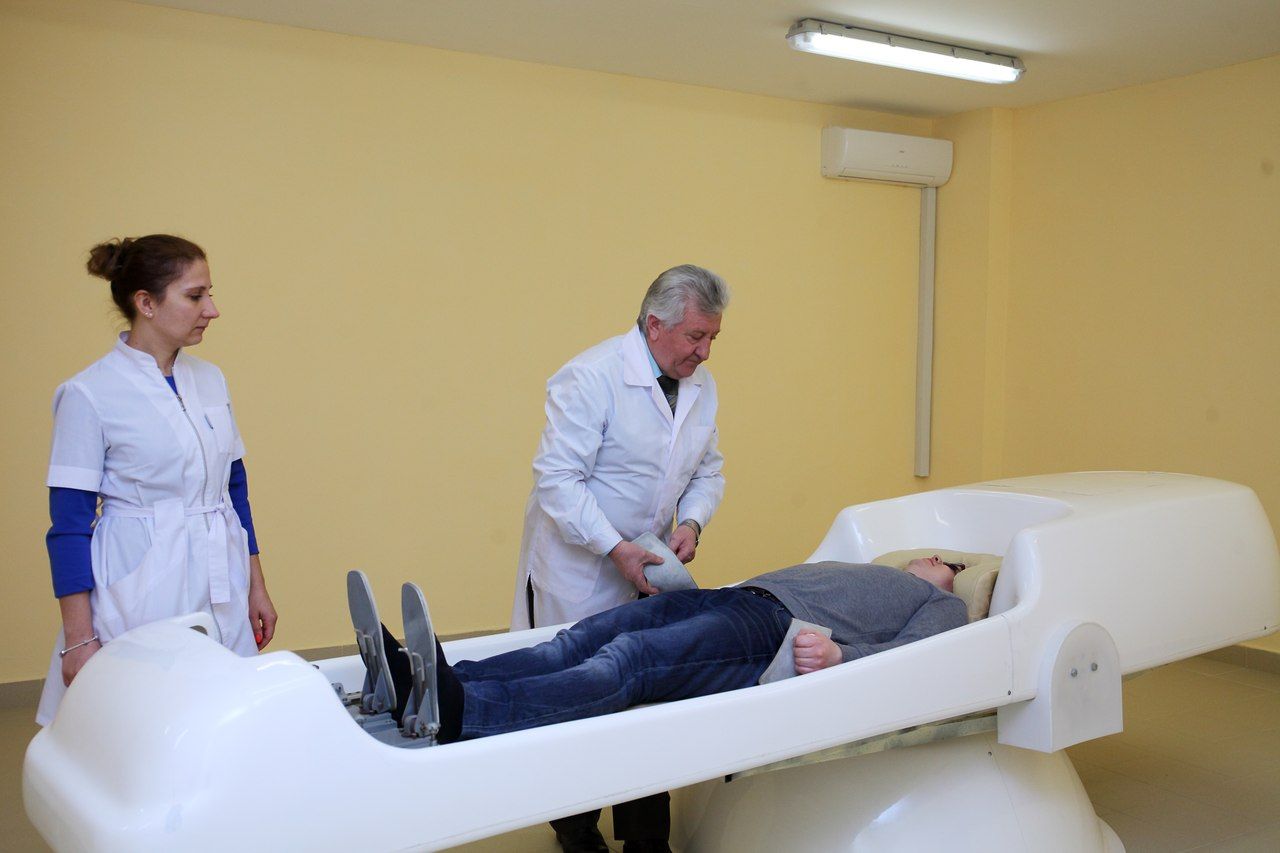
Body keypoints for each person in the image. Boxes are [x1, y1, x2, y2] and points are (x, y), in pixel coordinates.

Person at [510, 264, 730, 852]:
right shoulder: (591, 377)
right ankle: (576, 830)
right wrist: (615, 547)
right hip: (579, 570)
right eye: (696, 337)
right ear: (655, 325)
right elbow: (558, 481)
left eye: (713, 338)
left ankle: (646, 840)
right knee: (577, 699)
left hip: (648, 568)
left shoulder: (699, 386)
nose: (706, 352)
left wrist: (691, 522)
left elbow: (708, 471)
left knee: (646, 693)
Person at [36, 235, 277, 726]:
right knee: (143, 724)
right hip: (143, 582)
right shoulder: (89, 394)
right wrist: (79, 638)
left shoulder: (211, 380)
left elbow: (234, 492)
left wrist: (257, 586)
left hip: (222, 575)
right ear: (145, 303)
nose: (211, 310)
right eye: (195, 296)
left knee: (223, 721)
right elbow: (68, 525)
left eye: (210, 294)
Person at [385, 556, 967, 742]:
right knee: (579, 638)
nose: (931, 557)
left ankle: (467, 713)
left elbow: (920, 655)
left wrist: (843, 658)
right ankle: (437, 679)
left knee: (629, 661)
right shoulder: (867, 567)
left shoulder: (944, 603)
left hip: (770, 632)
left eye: (948, 560)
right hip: (730, 598)